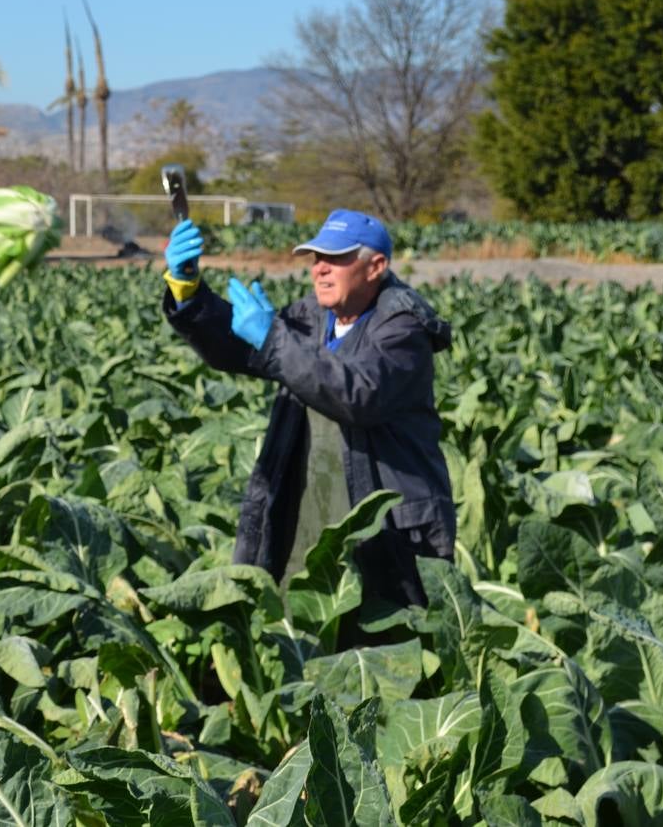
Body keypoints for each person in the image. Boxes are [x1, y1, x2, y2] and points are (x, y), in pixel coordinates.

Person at [160, 209, 455, 620]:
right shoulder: (312, 318)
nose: (320, 269)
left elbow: (358, 393)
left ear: (376, 267)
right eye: (316, 258)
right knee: (299, 629)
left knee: (384, 642)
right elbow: (245, 346)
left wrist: (272, 338)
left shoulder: (403, 330)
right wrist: (190, 294)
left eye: (337, 258)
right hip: (308, 514)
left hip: (384, 534)